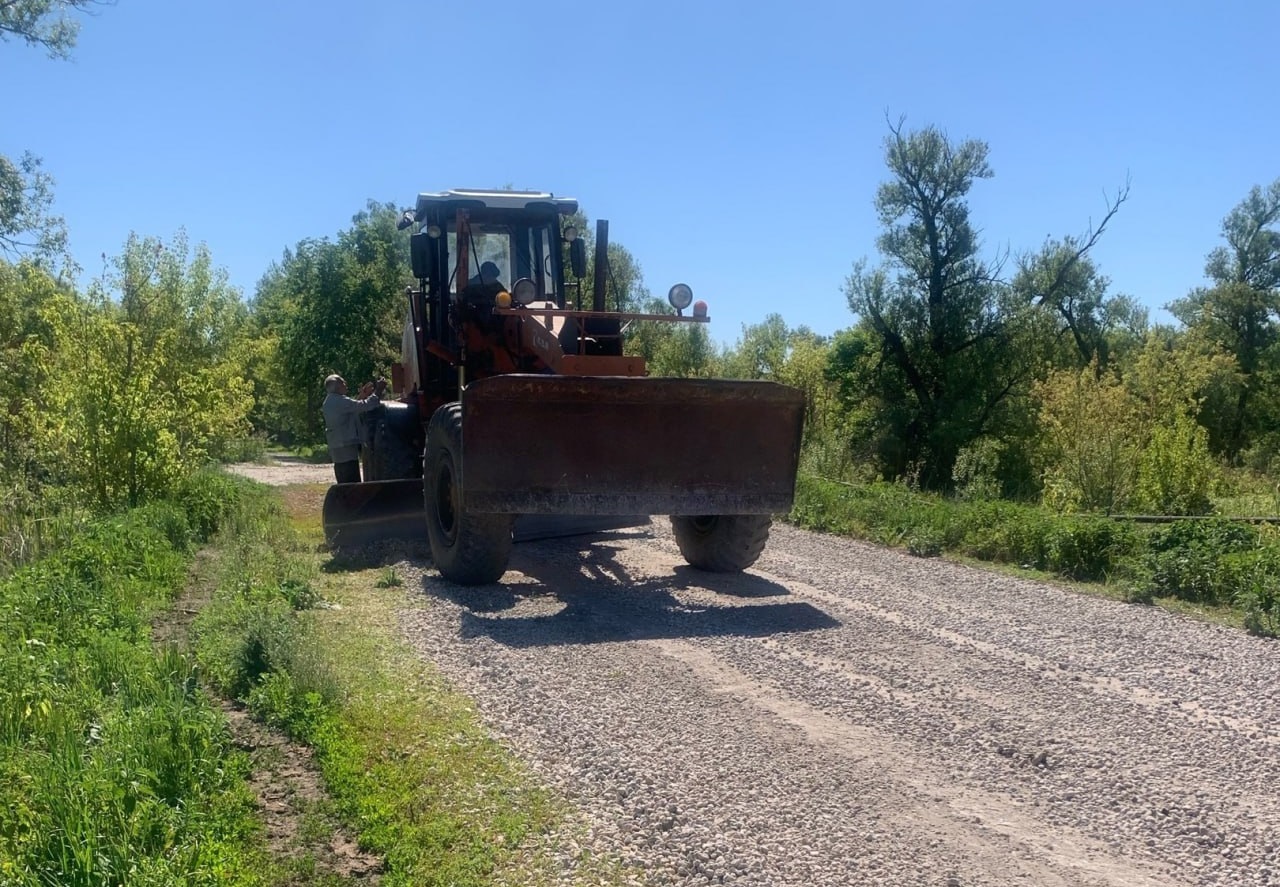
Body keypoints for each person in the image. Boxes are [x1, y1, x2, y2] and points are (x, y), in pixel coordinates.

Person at [321, 373, 385, 483]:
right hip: (345, 446)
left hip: (339, 446)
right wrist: (378, 390)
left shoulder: (331, 401)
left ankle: (345, 499)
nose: (346, 384)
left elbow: (353, 408)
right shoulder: (339, 401)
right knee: (351, 479)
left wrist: (362, 396)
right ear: (336, 387)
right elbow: (365, 406)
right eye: (342, 383)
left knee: (343, 478)